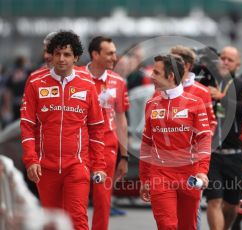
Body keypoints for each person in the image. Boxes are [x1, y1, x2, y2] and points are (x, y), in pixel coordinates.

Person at [20, 30, 107, 230]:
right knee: (52, 223)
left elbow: (96, 128)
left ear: (76, 57)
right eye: (58, 53)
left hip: (77, 166)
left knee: (77, 219)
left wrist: (99, 165)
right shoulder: (35, 81)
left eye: (67, 55)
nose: (61, 59)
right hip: (45, 167)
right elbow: (27, 124)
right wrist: (31, 160)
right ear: (51, 54)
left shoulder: (87, 84)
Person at [139, 54, 212, 230]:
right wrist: (144, 178)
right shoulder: (151, 104)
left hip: (189, 174)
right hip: (160, 174)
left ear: (170, 75)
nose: (151, 76)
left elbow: (204, 138)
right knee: (167, 225)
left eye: (156, 72)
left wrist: (202, 171)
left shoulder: (195, 102)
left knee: (188, 226)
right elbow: (147, 143)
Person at [82, 36, 129, 230]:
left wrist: (124, 156)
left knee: (103, 200)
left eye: (114, 52)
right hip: (80, 144)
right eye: (109, 53)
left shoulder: (117, 81)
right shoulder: (77, 77)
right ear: (95, 54)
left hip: (107, 146)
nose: (114, 57)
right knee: (77, 196)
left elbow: (121, 120)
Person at [205, 46, 242, 230]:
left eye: (229, 59)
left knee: (231, 205)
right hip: (212, 154)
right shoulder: (207, 82)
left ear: (238, 64)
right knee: (214, 200)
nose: (224, 61)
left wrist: (222, 98)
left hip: (235, 154)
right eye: (221, 58)